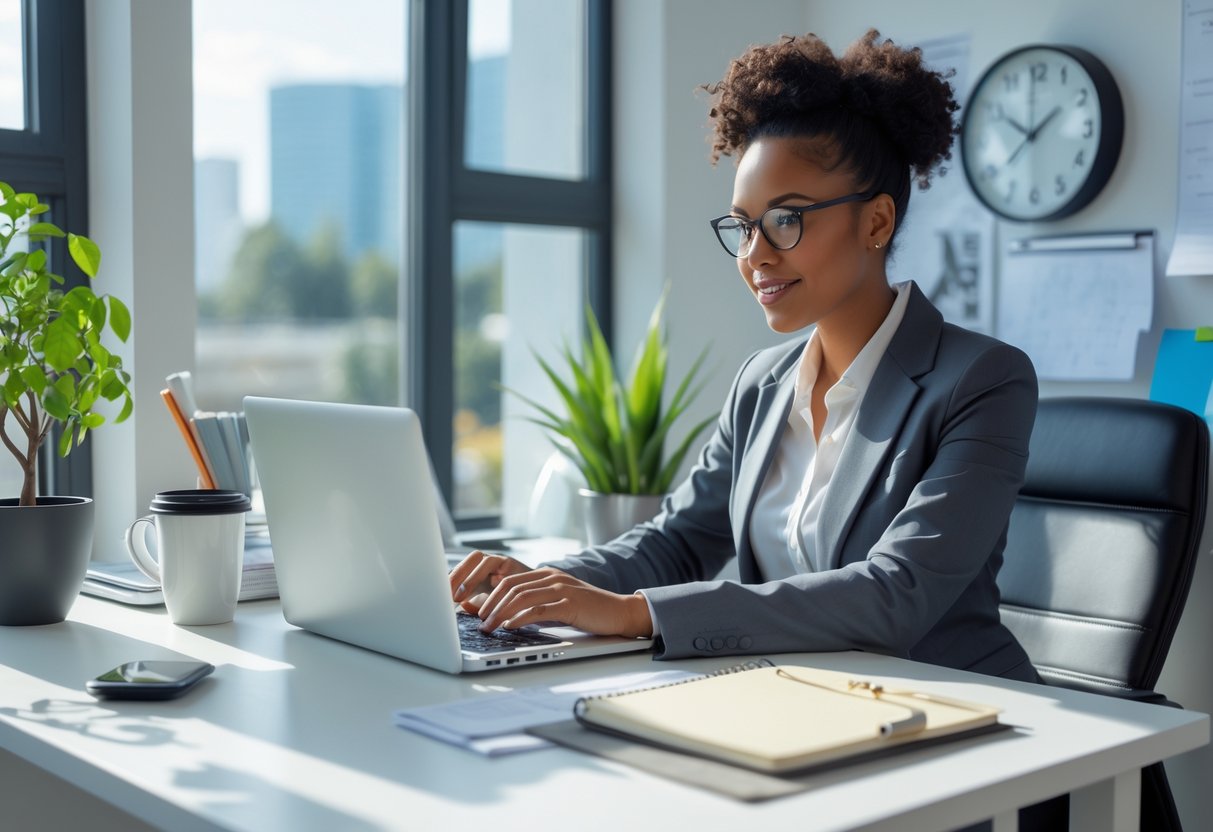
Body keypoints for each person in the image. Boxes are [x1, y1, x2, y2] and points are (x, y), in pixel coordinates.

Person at [450, 29, 1040, 685]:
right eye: (742, 224)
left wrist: (636, 613)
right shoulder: (762, 383)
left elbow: (894, 593)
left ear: (875, 223)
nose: (754, 253)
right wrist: (539, 582)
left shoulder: (980, 380)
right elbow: (677, 542)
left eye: (785, 219)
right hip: (795, 704)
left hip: (960, 714)